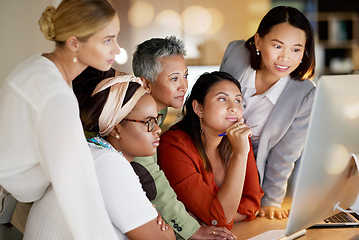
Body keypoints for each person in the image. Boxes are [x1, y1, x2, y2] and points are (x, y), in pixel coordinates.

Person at [73, 36, 237, 240]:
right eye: (174, 78)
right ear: (146, 83)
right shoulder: (130, 114)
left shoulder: (159, 110)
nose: (184, 86)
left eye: (185, 76)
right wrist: (191, 228)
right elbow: (151, 176)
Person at [0, 0, 120, 239]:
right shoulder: (56, 96)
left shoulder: (38, 66)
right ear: (74, 43)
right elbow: (78, 192)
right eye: (108, 40)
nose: (117, 49)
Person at [25, 74, 175, 240]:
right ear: (116, 129)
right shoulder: (109, 163)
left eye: (157, 120)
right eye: (149, 122)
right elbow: (163, 238)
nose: (157, 129)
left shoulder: (93, 153)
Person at [220, 6, 316, 220]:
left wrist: (271, 201)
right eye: (277, 46)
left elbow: (285, 154)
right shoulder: (237, 54)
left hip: (248, 175)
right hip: (206, 156)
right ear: (259, 41)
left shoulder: (304, 94)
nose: (285, 58)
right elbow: (212, 98)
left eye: (296, 49)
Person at [157, 71, 264, 230]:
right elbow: (219, 219)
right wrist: (240, 155)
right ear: (198, 108)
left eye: (238, 100)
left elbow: (253, 203)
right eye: (222, 99)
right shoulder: (173, 147)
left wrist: (209, 218)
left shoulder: (238, 137)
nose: (233, 107)